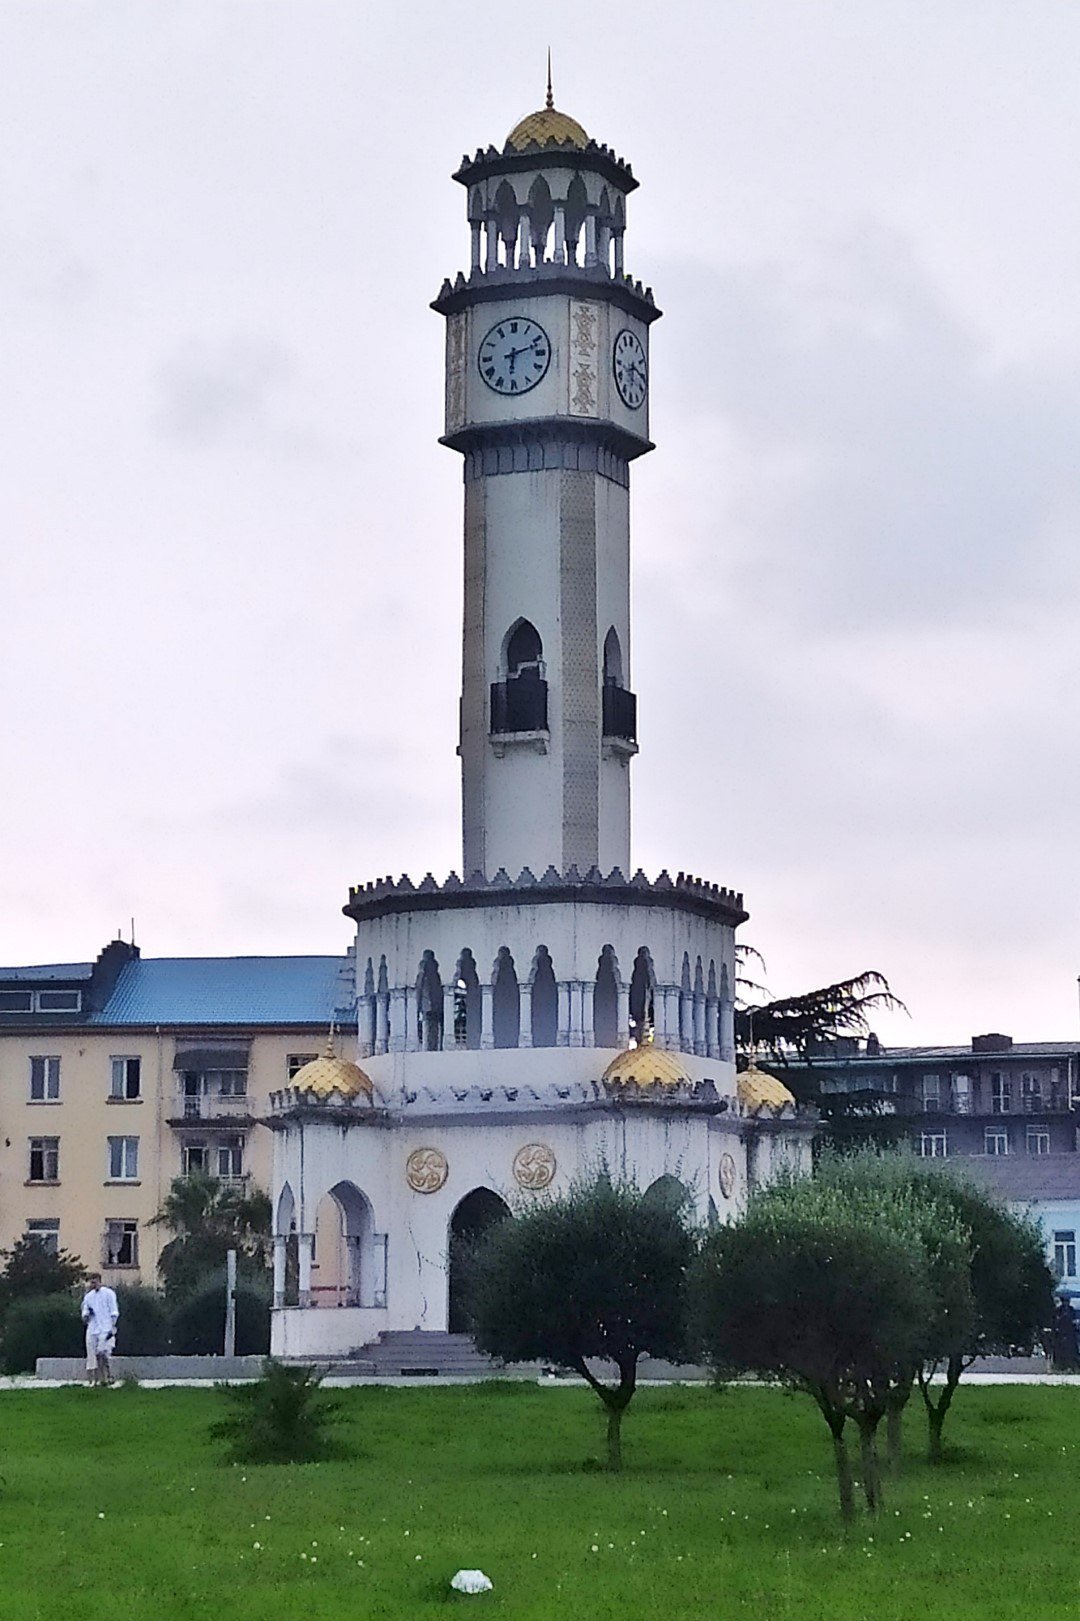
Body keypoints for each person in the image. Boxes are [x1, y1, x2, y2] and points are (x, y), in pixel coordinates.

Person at [81, 1273, 120, 1386]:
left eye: (94, 1282)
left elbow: (114, 1312)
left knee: (102, 1352)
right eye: (91, 1282)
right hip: (92, 1328)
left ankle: (107, 1376)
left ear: (99, 1281)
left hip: (105, 1328)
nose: (92, 1284)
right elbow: (84, 1315)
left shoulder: (109, 1294)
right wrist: (87, 1315)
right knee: (91, 1354)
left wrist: (112, 1327)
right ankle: (93, 1380)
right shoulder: (88, 1297)